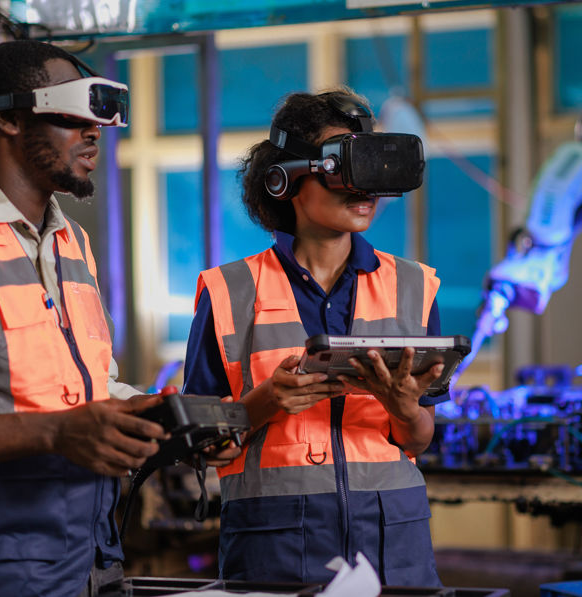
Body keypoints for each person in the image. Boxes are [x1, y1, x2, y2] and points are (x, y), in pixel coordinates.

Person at [0, 39, 238, 597]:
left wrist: (167, 423)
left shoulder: (70, 242)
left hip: (91, 563)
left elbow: (86, 390)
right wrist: (56, 432)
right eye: (77, 111)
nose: (94, 131)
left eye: (101, 118)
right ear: (8, 116)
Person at [182, 88, 446, 588]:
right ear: (285, 179)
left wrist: (405, 408)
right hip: (275, 550)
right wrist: (264, 401)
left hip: (394, 547)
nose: (364, 188)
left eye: (372, 170)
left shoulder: (414, 286)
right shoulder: (228, 293)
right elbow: (198, 449)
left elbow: (418, 439)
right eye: (344, 167)